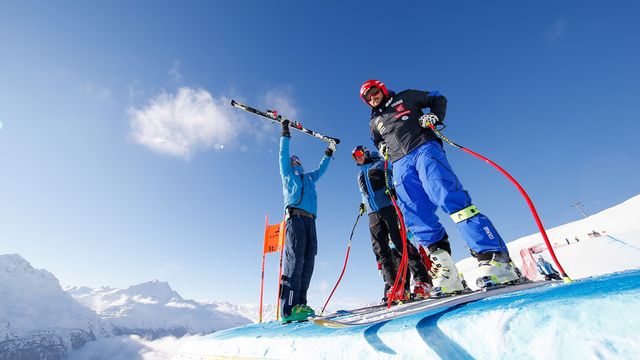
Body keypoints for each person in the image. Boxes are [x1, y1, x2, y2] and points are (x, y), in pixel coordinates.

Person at [359, 79, 521, 295]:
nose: (371, 98)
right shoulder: (374, 121)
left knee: (446, 195)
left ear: (381, 88)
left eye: (373, 92)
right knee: (414, 213)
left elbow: (437, 96)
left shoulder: (406, 96)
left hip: (423, 148)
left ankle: (494, 257)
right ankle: (446, 272)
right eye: (366, 97)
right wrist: (381, 146)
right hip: (399, 163)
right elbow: (377, 139)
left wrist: (434, 115)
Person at [352, 145, 431, 301]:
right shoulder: (360, 174)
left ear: (366, 152)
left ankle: (422, 280)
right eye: (355, 156)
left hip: (388, 206)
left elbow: (393, 177)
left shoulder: (381, 163)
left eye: (359, 154)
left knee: (399, 243)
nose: (358, 157)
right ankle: (395, 286)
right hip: (372, 213)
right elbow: (363, 193)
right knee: (380, 249)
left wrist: (393, 189)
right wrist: (363, 204)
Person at [279, 119, 336, 322]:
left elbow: (322, 168)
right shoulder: (288, 174)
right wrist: (285, 133)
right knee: (294, 260)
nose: (294, 160)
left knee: (308, 260)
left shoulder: (309, 178)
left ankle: (301, 304)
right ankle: (288, 309)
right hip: (294, 217)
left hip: (311, 220)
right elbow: (283, 156)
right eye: (292, 159)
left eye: (297, 159)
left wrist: (329, 151)